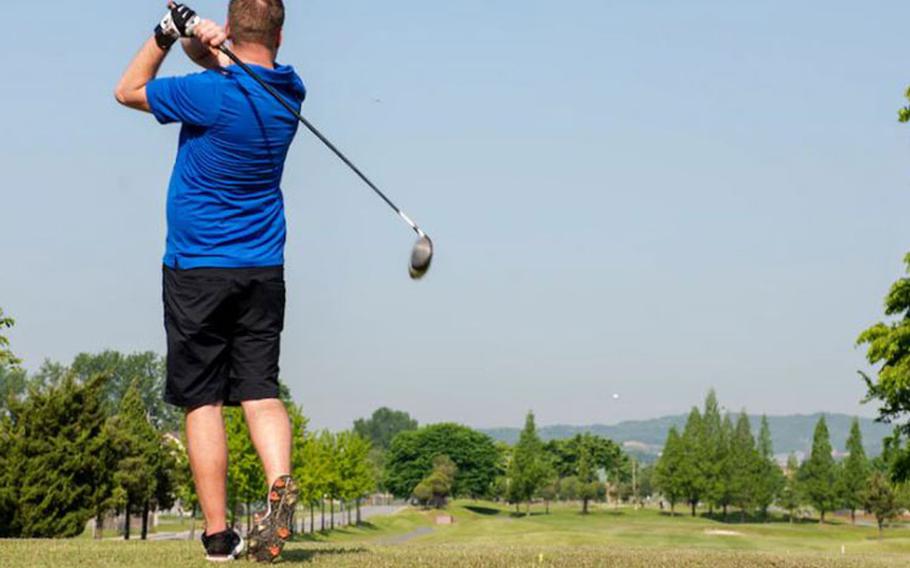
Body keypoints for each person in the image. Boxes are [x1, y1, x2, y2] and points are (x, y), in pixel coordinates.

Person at [115, 1, 304, 562]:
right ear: (280, 34)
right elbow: (231, 69)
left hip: (197, 267)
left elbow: (128, 89)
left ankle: (219, 535)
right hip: (263, 266)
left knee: (202, 402)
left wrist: (168, 34)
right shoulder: (291, 91)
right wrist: (206, 46)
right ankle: (279, 485)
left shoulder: (210, 96)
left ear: (233, 26)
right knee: (260, 392)